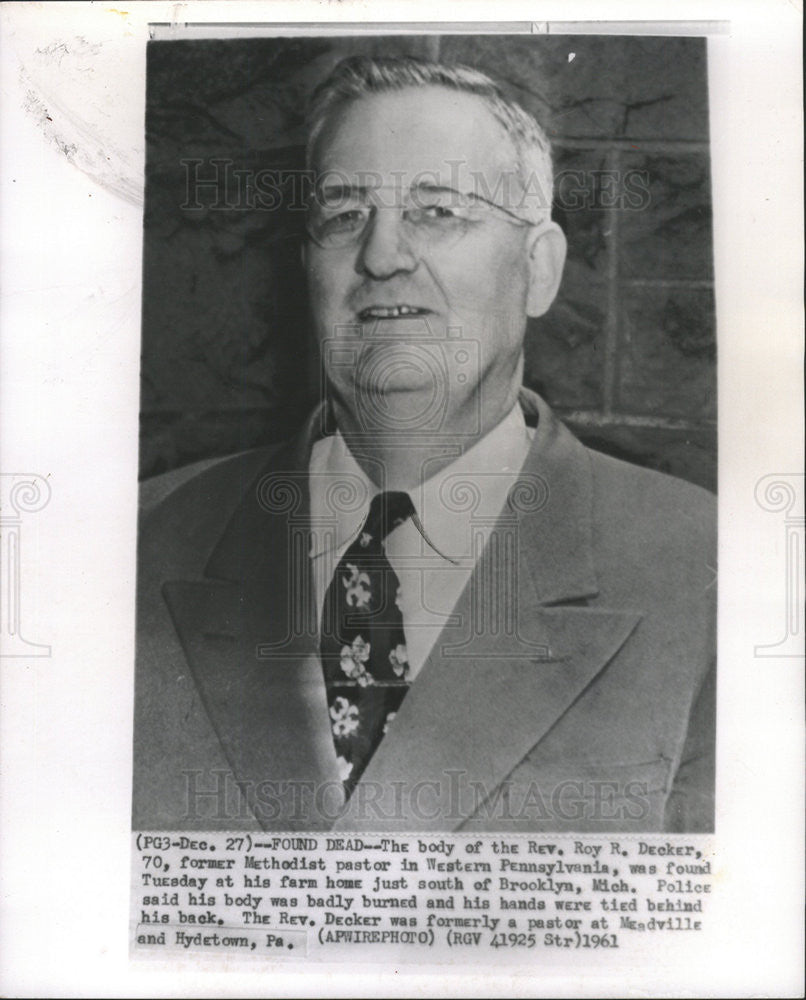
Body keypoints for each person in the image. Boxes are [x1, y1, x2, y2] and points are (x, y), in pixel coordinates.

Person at [133, 56, 715, 833]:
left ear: (538, 269)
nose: (381, 256)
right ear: (307, 268)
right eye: (343, 215)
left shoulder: (702, 568)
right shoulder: (141, 540)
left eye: (437, 211)